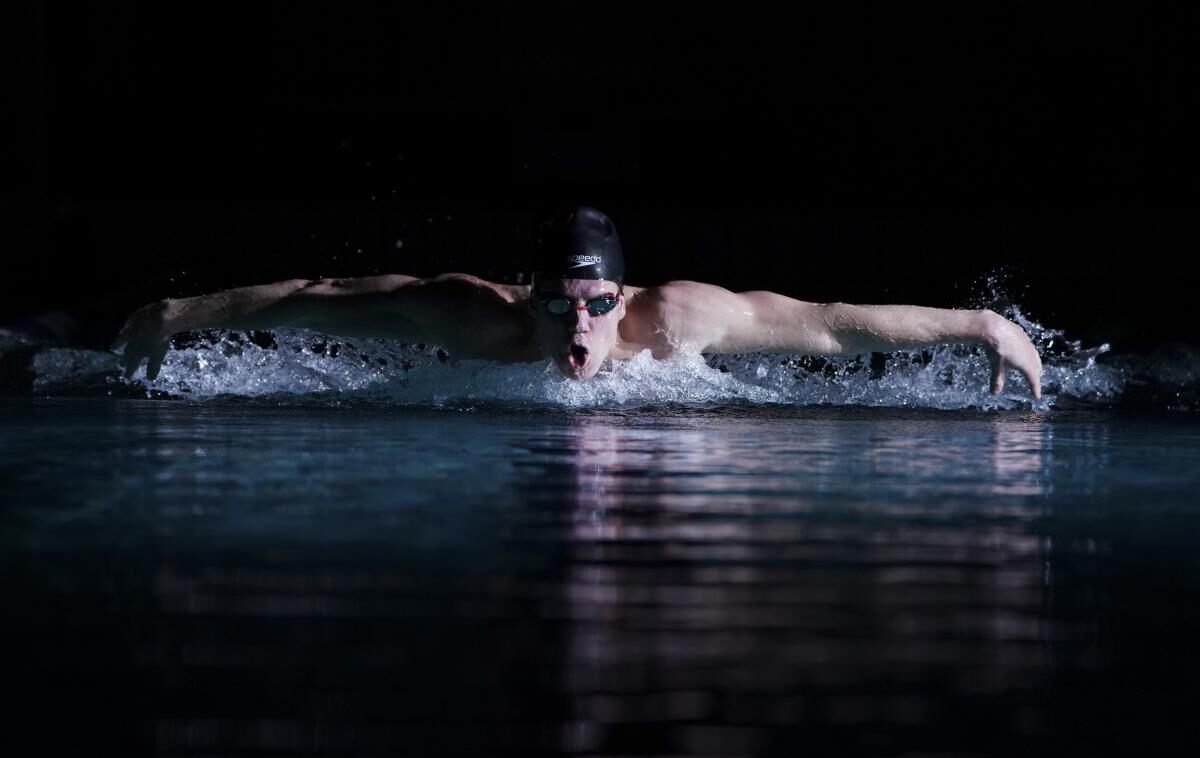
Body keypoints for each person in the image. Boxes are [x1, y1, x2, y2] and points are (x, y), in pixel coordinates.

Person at [114, 207, 1042, 398]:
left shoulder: (678, 318)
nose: (580, 328)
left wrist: (983, 325)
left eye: (596, 304)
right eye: (559, 308)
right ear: (531, 297)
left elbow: (836, 324)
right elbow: (311, 300)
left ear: (623, 293)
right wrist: (180, 313)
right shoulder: (469, 314)